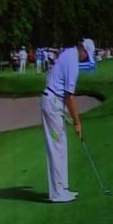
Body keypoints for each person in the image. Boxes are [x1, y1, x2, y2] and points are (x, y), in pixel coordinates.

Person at [41, 38, 95, 203]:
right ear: (83, 49)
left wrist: (66, 113)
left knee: (61, 146)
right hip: (53, 103)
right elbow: (70, 96)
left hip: (55, 102)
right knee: (57, 147)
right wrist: (77, 122)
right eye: (87, 55)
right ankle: (57, 193)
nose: (86, 59)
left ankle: (63, 188)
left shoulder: (69, 53)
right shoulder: (73, 61)